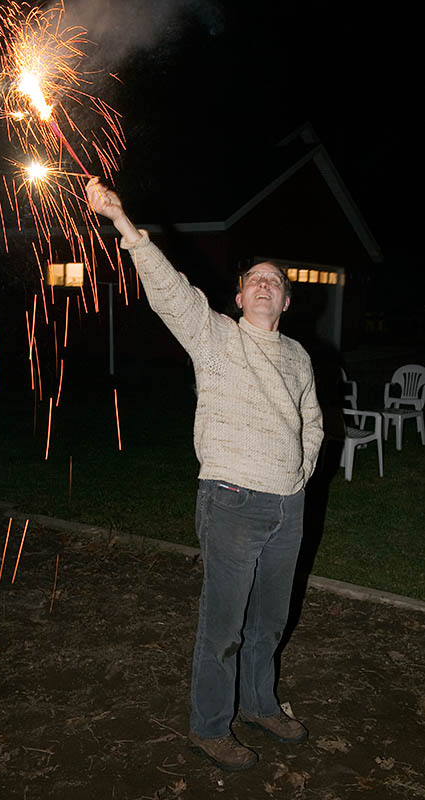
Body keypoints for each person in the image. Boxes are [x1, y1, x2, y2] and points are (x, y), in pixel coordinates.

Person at [86, 178, 324, 771]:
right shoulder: (215, 337)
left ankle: (261, 703)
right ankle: (209, 726)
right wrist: (122, 222)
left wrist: (301, 469)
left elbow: (313, 420)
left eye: (276, 281)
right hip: (232, 501)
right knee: (224, 626)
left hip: (288, 505)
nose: (265, 286)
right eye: (255, 280)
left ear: (287, 301)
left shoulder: (297, 355)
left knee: (270, 619)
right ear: (239, 296)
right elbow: (171, 293)